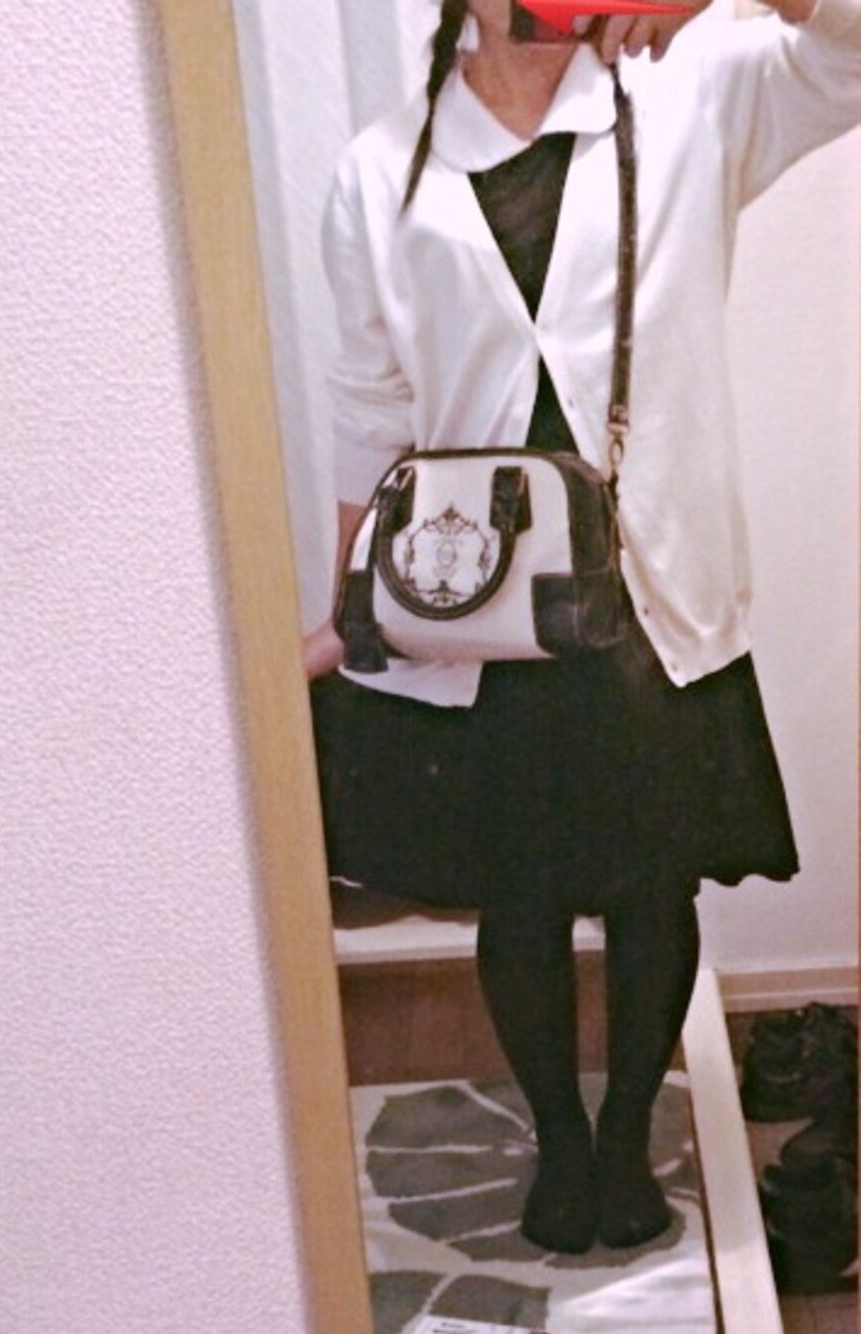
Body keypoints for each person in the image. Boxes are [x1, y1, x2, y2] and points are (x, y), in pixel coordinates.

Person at [305, 0, 861, 1254]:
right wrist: (347, 603)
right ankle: (559, 1139)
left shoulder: (691, 99)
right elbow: (367, 404)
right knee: (523, 889)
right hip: (484, 605)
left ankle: (624, 1139)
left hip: (652, 587)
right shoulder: (378, 172)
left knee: (653, 876)